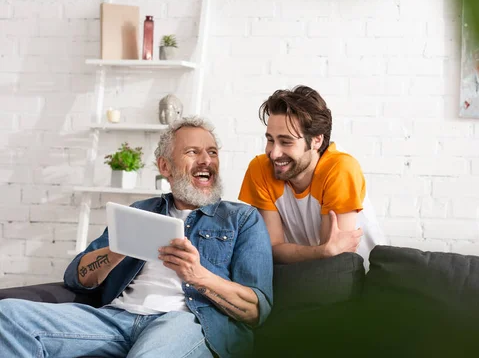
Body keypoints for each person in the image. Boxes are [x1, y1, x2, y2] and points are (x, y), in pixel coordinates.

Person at [0, 117, 273, 358]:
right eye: (193, 151)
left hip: (184, 322)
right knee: (9, 316)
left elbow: (256, 311)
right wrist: (117, 250)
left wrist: (198, 276)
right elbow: (77, 276)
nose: (207, 160)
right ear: (165, 166)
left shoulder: (241, 219)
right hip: (116, 319)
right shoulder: (139, 212)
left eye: (212, 152)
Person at [238, 85, 387, 270]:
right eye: (270, 140)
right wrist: (321, 251)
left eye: (286, 142)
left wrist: (324, 252)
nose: (274, 153)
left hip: (363, 278)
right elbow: (272, 250)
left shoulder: (340, 168)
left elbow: (337, 261)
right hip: (307, 277)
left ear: (317, 140)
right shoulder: (260, 169)